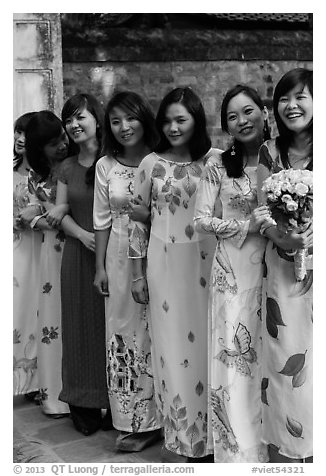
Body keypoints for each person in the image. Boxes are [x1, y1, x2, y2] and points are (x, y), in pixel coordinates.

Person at [128, 87, 218, 462]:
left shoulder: (215, 160)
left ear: (196, 119)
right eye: (167, 120)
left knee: (211, 344)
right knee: (172, 352)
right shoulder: (150, 164)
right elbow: (137, 221)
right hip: (163, 268)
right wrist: (136, 273)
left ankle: (217, 436)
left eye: (181, 119)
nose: (173, 127)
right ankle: (187, 440)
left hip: (209, 264)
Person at [194, 84, 271, 463]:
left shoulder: (284, 161)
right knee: (233, 355)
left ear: (263, 111)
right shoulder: (218, 165)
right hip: (232, 271)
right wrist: (245, 228)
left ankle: (272, 446)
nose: (241, 121)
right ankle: (236, 453)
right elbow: (200, 221)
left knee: (267, 353)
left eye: (248, 111)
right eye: (232, 116)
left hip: (277, 268)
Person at [93, 91, 162, 451]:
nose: (124, 127)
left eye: (130, 118)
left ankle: (168, 416)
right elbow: (101, 220)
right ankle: (136, 420)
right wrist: (100, 268)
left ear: (143, 118)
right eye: (116, 121)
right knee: (124, 335)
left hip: (163, 253)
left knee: (161, 332)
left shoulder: (160, 158)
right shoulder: (106, 165)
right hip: (119, 260)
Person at [257, 68, 313, 463]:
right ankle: (288, 448)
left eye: (301, 97)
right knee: (285, 356)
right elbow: (262, 212)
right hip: (280, 266)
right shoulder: (269, 152)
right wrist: (285, 239)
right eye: (284, 99)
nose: (291, 106)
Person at [55, 93, 112, 435]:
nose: (74, 125)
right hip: (78, 257)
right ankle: (82, 404)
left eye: (81, 118)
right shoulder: (66, 166)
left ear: (96, 120)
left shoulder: (114, 161)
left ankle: (116, 400)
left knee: (111, 330)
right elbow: (60, 213)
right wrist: (83, 235)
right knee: (79, 330)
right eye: (69, 120)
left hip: (114, 256)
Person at [23, 111, 71, 418]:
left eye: (63, 138)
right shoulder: (35, 178)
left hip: (78, 247)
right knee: (54, 320)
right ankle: (55, 395)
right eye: (54, 143)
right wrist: (42, 218)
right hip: (51, 256)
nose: (62, 145)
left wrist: (47, 216)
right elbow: (30, 218)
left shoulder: (76, 167)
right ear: (39, 148)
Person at [13, 112, 42, 400]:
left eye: (27, 134)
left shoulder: (45, 175)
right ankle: (18, 381)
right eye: (17, 132)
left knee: (39, 309)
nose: (21, 139)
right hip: (15, 252)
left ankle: (39, 381)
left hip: (41, 248)